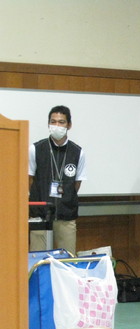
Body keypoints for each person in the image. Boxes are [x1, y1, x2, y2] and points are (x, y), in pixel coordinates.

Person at [29, 105, 87, 256]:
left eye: (61, 122)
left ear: (69, 125)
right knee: (38, 261)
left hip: (66, 216)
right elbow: (29, 180)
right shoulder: (35, 149)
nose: (57, 125)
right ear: (48, 124)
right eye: (53, 122)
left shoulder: (78, 152)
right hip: (40, 216)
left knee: (67, 260)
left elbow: (77, 183)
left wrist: (64, 199)